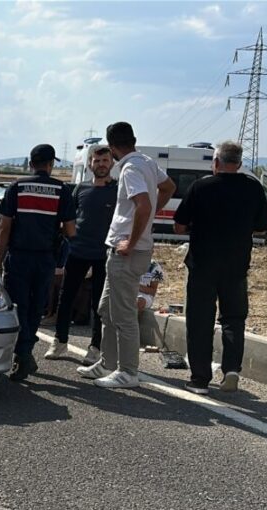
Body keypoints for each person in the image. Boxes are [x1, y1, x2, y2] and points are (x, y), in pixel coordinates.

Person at [78, 122, 175, 389]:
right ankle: (108, 363)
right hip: (123, 251)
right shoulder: (146, 161)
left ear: (111, 146)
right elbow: (168, 187)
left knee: (123, 315)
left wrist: (131, 241)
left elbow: (143, 204)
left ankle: (129, 371)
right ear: (133, 139)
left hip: (127, 253)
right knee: (106, 310)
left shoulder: (131, 168)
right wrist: (149, 217)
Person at [174, 140, 267, 394]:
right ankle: (231, 370)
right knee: (234, 319)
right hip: (237, 265)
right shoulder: (253, 188)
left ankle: (200, 379)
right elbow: (261, 227)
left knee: (200, 321)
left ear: (215, 163)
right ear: (238, 164)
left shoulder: (200, 187)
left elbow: (179, 226)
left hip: (202, 265)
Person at [0, 144, 76, 382]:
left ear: (31, 163)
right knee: (36, 307)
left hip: (19, 257)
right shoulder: (62, 190)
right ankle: (25, 352)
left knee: (18, 307)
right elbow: (71, 230)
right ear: (51, 165)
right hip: (45, 259)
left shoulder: (17, 187)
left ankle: (23, 353)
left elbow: (4, 227)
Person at [45, 145, 116, 363]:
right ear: (90, 164)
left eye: (105, 160)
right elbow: (69, 217)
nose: (101, 164)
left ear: (111, 163)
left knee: (98, 305)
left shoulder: (118, 189)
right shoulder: (81, 188)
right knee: (66, 298)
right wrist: (68, 238)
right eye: (97, 161)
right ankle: (59, 342)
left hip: (104, 254)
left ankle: (95, 348)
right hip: (78, 251)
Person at [137, 259, 166, 352]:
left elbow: (152, 291)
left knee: (138, 302)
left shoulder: (154, 266)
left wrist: (136, 286)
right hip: (128, 291)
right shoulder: (129, 260)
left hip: (145, 295)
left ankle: (133, 337)